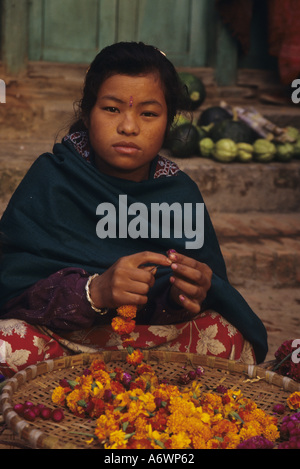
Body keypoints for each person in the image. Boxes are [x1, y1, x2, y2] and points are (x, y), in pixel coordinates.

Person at [0, 42, 267, 377]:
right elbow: (11, 285)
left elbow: (209, 292)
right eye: (112, 109)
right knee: (5, 344)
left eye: (149, 113)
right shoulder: (52, 179)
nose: (129, 127)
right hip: (61, 342)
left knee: (228, 337)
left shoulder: (179, 193)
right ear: (87, 113)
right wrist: (94, 291)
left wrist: (186, 294)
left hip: (153, 345)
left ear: (169, 122)